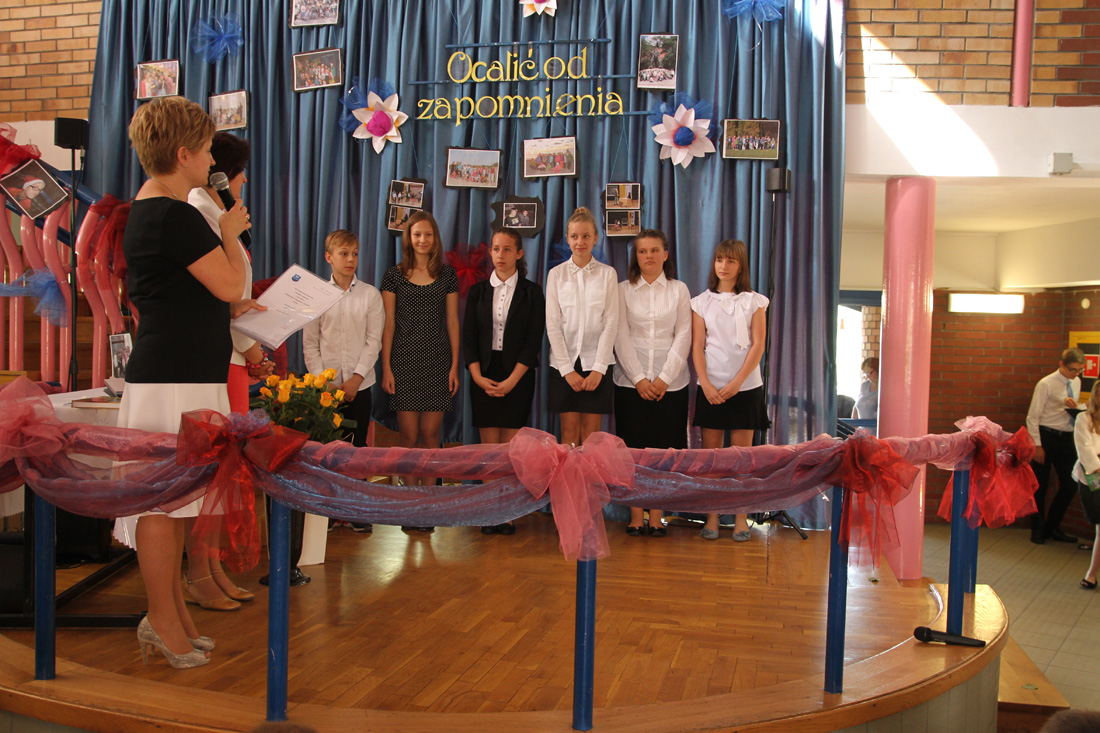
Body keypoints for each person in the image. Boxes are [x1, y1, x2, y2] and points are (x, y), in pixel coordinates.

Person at [113, 96, 252, 668]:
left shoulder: (160, 209)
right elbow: (231, 287)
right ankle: (162, 619)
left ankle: (172, 614)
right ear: (182, 155)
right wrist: (229, 231)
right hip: (171, 379)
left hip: (184, 374)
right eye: (206, 151)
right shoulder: (173, 215)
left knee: (178, 504)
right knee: (161, 507)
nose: (212, 163)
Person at [182, 131, 270, 608]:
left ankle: (212, 568)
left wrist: (252, 352)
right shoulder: (202, 212)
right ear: (223, 174)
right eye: (241, 174)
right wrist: (253, 353)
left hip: (233, 358)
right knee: (212, 472)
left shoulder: (218, 214)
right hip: (220, 358)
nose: (244, 183)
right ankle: (199, 573)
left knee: (224, 472)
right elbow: (229, 297)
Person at [380, 211, 460, 533]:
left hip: (438, 361)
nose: (423, 240)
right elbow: (388, 324)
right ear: (408, 238)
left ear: (435, 238)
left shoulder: (447, 275)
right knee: (408, 436)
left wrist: (454, 365)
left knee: (430, 435)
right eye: (417, 234)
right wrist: (386, 367)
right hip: (403, 362)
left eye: (428, 234)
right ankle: (409, 505)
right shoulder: (394, 276)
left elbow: (452, 321)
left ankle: (429, 505)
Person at [463, 228, 545, 535]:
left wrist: (512, 381)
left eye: (507, 249)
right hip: (483, 372)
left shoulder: (532, 292)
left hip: (517, 375)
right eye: (496, 249)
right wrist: (476, 376)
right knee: (489, 449)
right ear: (491, 252)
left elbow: (532, 341)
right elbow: (469, 336)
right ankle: (491, 512)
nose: (501, 255)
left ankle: (507, 511)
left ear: (519, 254)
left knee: (511, 449)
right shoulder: (478, 292)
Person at [303, 229, 385, 533]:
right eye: (344, 254)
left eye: (355, 254)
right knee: (326, 447)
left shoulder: (370, 295)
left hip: (359, 385)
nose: (351, 259)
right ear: (329, 257)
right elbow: (310, 345)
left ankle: (356, 509)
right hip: (325, 388)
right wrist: (323, 381)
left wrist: (355, 379)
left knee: (357, 446)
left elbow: (373, 341)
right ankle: (327, 512)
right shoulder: (317, 296)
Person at [613, 230, 691, 537]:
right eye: (642, 251)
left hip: (671, 386)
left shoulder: (679, 289)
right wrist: (639, 379)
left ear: (665, 254)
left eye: (654, 250)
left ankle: (657, 515)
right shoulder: (622, 290)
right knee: (633, 452)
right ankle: (635, 514)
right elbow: (620, 335)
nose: (648, 256)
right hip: (630, 384)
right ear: (636, 256)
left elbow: (683, 335)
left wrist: (663, 379)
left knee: (664, 453)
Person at [691, 239, 770, 542]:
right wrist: (706, 384)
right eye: (720, 260)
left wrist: (737, 383)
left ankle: (740, 517)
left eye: (731, 261)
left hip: (745, 387)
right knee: (712, 459)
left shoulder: (755, 301)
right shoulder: (701, 302)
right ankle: (712, 516)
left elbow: (758, 345)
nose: (724, 266)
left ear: (741, 266)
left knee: (741, 459)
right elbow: (697, 347)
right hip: (711, 387)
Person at [545, 206, 619, 447]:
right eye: (575, 236)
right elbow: (553, 326)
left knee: (591, 435)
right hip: (563, 365)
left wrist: (599, 369)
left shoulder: (608, 274)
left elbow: (610, 323)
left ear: (596, 238)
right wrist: (567, 370)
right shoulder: (556, 275)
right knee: (568, 432)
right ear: (567, 238)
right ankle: (569, 474)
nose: (580, 242)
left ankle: (589, 474)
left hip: (596, 363)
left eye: (586, 236)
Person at [1026, 347, 1087, 545]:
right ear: (1062, 364)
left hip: (1066, 436)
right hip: (1046, 436)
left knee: (1071, 482)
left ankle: (1052, 526)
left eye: (1079, 370)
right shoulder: (1046, 383)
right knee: (1040, 485)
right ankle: (1037, 528)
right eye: (1072, 369)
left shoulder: (1076, 382)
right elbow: (1032, 416)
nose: (1076, 374)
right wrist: (1037, 445)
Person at [1072, 386, 1100, 589]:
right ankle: (1092, 573)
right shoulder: (1084, 419)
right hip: (1092, 478)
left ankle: (1092, 572)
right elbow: (1085, 450)